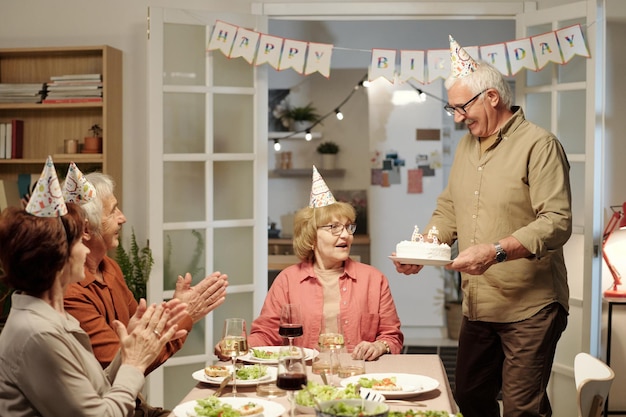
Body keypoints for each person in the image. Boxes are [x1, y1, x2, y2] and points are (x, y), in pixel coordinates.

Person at [394, 37, 571, 417]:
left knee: (522, 408)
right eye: (452, 108)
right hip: (478, 304)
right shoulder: (466, 147)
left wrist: (496, 251)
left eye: (461, 108)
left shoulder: (539, 145)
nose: (456, 117)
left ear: (492, 97)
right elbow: (449, 208)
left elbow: (557, 222)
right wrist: (425, 249)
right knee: (471, 399)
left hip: (530, 306)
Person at [0, 159, 184, 417]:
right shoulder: (37, 334)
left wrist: (126, 351)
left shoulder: (54, 318)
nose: (86, 249)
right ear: (56, 258)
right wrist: (133, 364)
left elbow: (97, 389)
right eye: (77, 241)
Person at [63, 172, 228, 416]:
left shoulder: (110, 268)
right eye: (113, 211)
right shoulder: (70, 293)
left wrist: (175, 309)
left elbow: (142, 334)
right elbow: (127, 361)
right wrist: (183, 316)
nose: (123, 218)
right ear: (87, 229)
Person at [218, 166, 403, 361]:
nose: (346, 235)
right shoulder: (288, 280)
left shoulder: (374, 279)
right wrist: (239, 345)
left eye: (349, 227)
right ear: (312, 238)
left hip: (357, 374)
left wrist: (378, 346)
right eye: (334, 227)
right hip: (304, 376)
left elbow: (392, 336)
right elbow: (267, 334)